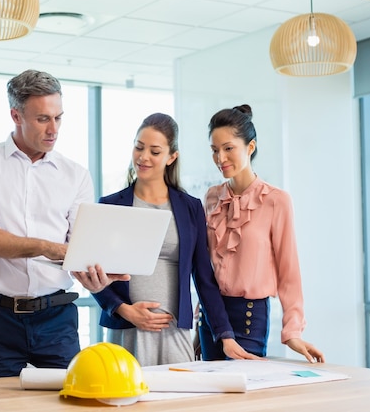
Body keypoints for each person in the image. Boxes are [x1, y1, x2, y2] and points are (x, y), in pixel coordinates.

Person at [0, 69, 127, 379]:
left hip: (57, 318)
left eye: (58, 118)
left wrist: (96, 275)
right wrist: (49, 248)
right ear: (15, 115)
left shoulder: (75, 175)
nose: (53, 129)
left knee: (68, 401)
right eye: (43, 119)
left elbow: (81, 248)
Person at [91, 113, 260, 366]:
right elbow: (93, 273)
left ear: (171, 157)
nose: (143, 157)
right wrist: (123, 309)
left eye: (155, 151)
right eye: (139, 147)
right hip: (125, 330)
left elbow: (204, 278)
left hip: (174, 332)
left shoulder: (190, 207)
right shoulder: (110, 205)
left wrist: (225, 335)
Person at [198, 104, 325, 363]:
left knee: (243, 398)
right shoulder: (212, 198)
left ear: (251, 147)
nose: (220, 158)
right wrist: (202, 320)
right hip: (211, 319)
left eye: (228, 148)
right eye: (214, 150)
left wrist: (293, 331)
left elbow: (289, 272)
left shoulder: (276, 201)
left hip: (249, 318)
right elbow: (205, 270)